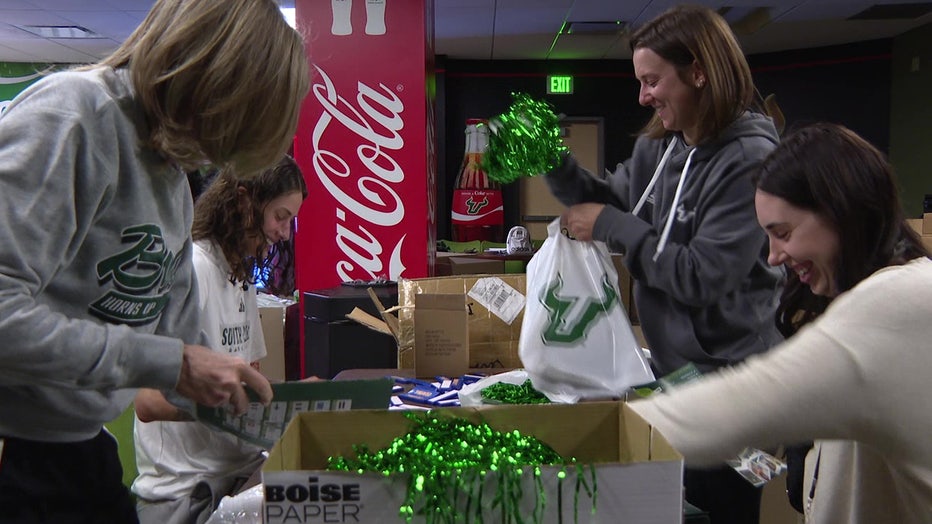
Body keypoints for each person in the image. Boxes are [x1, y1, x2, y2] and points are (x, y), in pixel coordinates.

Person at [0, 1, 309, 522]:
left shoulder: (172, 180)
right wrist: (175, 362)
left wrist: (263, 399)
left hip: (81, 448)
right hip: (17, 458)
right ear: (214, 83)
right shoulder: (75, 117)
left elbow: (182, 354)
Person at [546, 5, 783, 521]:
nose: (643, 95)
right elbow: (609, 196)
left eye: (652, 80)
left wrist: (608, 224)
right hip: (678, 377)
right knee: (677, 503)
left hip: (732, 387)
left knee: (719, 508)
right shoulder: (666, 147)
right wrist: (551, 159)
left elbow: (702, 275)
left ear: (698, 71)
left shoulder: (749, 158)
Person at [631, 122, 932, 523]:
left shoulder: (894, 305)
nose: (773, 256)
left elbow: (725, 413)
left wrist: (600, 431)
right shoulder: (894, 293)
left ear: (839, 211)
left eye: (784, 233)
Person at [133, 156, 308, 524]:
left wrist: (298, 399)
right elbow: (147, 402)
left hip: (238, 475)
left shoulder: (239, 275)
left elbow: (249, 378)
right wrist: (222, 397)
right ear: (245, 202)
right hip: (188, 493)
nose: (284, 233)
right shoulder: (193, 269)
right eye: (281, 216)